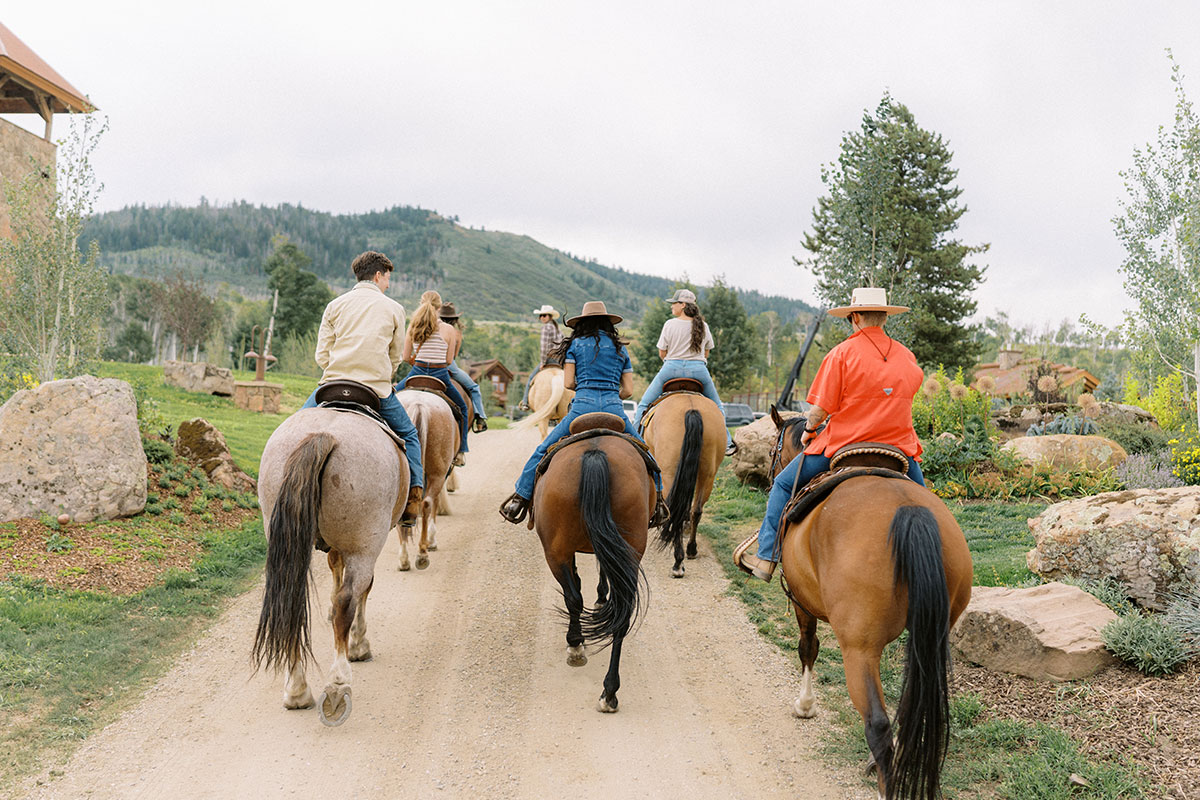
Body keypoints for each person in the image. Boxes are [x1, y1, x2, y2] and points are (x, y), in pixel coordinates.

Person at [734, 287, 926, 582]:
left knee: (783, 486)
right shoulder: (908, 357)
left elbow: (820, 410)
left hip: (845, 446)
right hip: (898, 449)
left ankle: (767, 558)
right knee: (927, 505)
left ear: (855, 317)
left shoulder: (841, 354)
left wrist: (809, 430)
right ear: (884, 319)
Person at [499, 301, 666, 525]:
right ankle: (660, 503)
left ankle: (520, 498)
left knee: (541, 451)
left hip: (581, 408)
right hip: (613, 408)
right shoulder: (620, 348)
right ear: (608, 322)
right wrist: (609, 395)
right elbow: (627, 390)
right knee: (647, 456)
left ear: (582, 323)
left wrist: (587, 389)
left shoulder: (575, 345)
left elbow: (568, 383)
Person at [300, 250, 423, 508]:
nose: (388, 284)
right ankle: (414, 497)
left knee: (294, 426)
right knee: (410, 435)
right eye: (388, 278)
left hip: (332, 384)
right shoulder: (394, 308)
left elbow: (322, 354)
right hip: (374, 389)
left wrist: (337, 369)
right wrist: (382, 375)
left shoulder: (335, 305)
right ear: (378, 275)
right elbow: (395, 356)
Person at [634, 288, 737, 456]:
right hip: (698, 371)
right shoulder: (703, 326)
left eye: (674, 303)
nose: (671, 307)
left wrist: (675, 362)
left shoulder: (669, 324)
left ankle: (637, 442)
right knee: (718, 406)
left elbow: (662, 353)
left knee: (644, 405)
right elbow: (707, 352)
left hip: (670, 369)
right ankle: (726, 443)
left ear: (682, 305)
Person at [400, 291, 471, 464]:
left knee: (387, 399)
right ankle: (461, 450)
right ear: (439, 307)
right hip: (440, 375)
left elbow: (405, 356)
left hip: (416, 372)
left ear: (421, 303)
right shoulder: (449, 330)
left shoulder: (413, 325)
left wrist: (419, 363)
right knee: (462, 408)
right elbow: (448, 360)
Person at [438, 302, 488, 432]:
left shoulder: (433, 328)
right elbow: (453, 356)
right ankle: (480, 418)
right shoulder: (457, 333)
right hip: (450, 367)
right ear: (454, 319)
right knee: (474, 388)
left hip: (429, 363)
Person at [517, 304, 564, 411]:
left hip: (549, 359)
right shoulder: (558, 329)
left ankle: (525, 402)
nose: (542, 318)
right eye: (540, 316)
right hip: (560, 360)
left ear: (549, 316)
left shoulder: (546, 328)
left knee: (530, 379)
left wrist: (543, 362)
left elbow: (544, 348)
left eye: (544, 315)